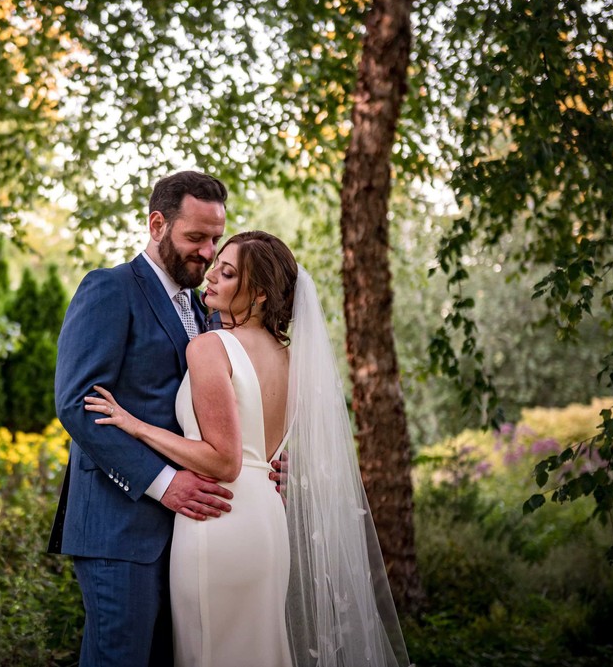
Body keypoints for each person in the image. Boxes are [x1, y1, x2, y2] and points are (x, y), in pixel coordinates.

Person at [85, 231, 411, 666]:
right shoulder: (292, 359)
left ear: (257, 295)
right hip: (267, 523)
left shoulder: (209, 346)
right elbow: (266, 452)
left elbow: (224, 460)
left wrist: (136, 425)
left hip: (218, 520)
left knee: (210, 652)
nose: (212, 276)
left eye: (228, 272)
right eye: (217, 264)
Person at [48, 171, 236, 667]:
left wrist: (263, 464)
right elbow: (77, 403)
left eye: (215, 239)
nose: (209, 252)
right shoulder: (109, 289)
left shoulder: (206, 310)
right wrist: (163, 483)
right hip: (119, 529)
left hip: (191, 536)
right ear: (157, 224)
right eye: (195, 237)